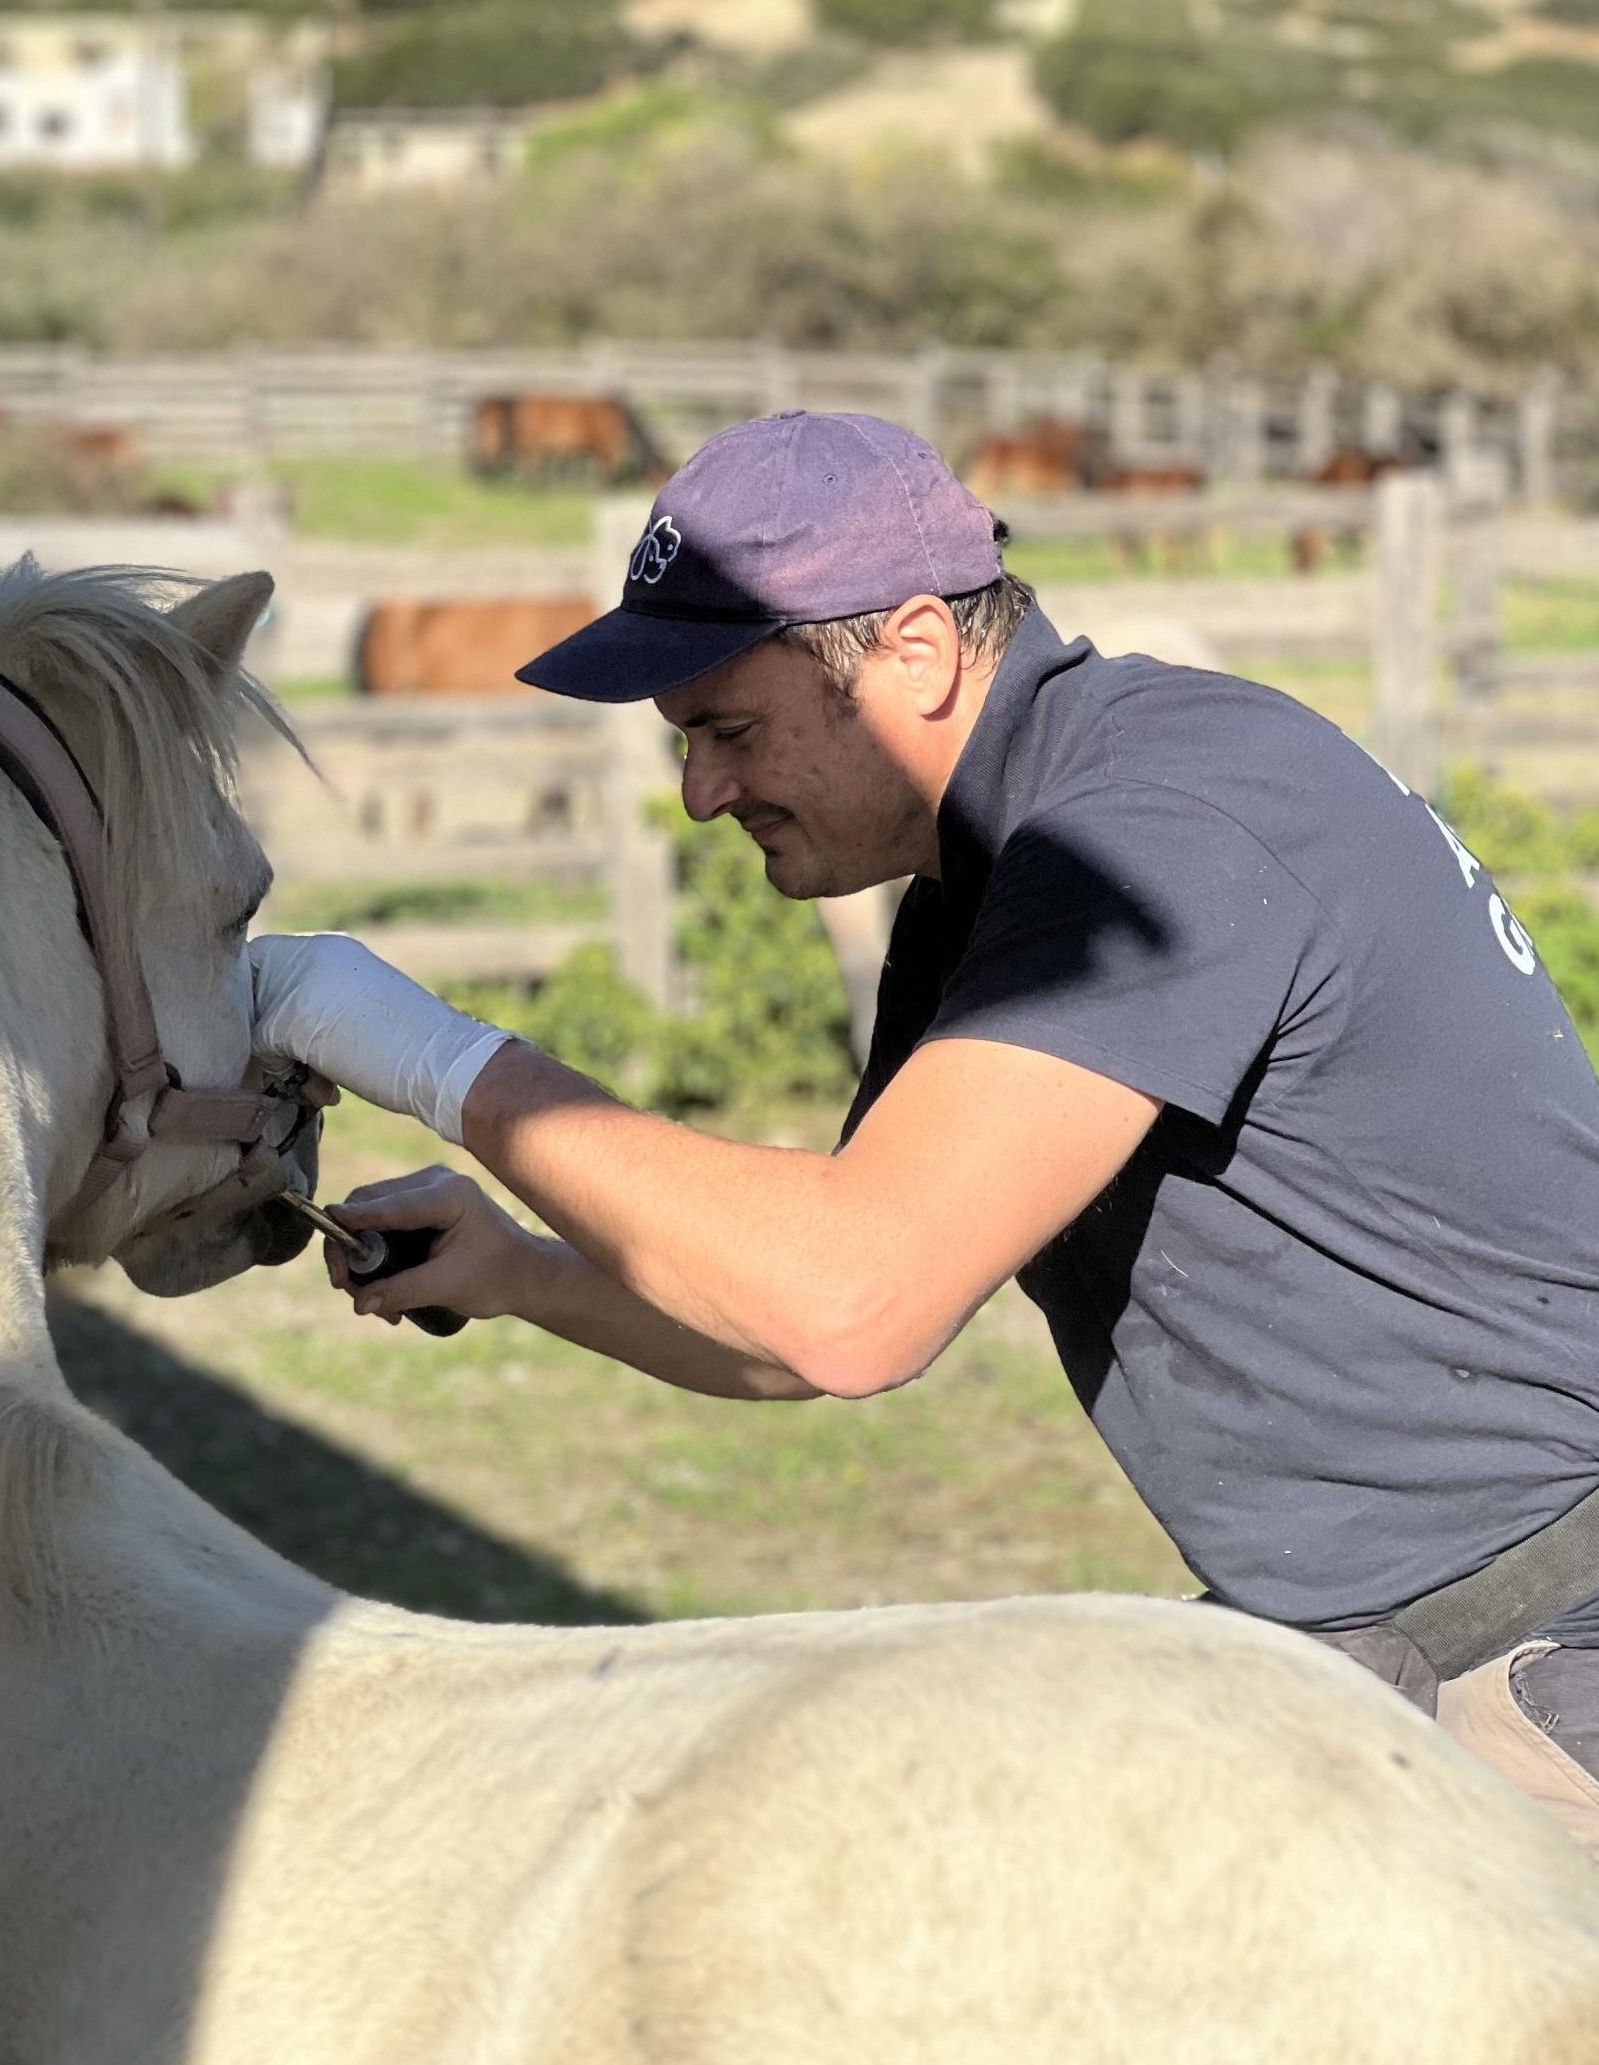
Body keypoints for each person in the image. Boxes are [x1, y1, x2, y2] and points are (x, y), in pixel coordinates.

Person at [251, 409, 1599, 1853]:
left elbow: (852, 1303)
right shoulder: (992, 878)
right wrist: (519, 1270)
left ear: (914, 649)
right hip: (1374, 1652)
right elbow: (799, 1322)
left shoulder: (1155, 827)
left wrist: (425, 1053)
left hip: (1538, 1666)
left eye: (730, 730)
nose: (702, 794)